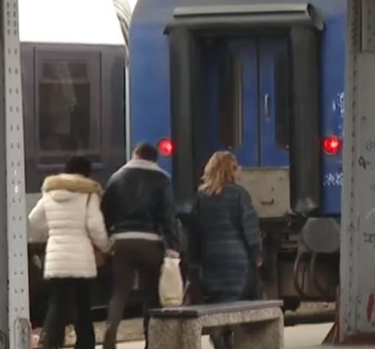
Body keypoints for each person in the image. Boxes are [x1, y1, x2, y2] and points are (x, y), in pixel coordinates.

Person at [101, 143, 180, 349]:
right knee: (151, 294)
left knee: (119, 292)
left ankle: (110, 339)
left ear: (135, 155)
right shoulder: (162, 179)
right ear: (154, 159)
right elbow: (168, 215)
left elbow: (105, 212)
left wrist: (109, 236)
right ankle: (150, 340)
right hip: (150, 242)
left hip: (123, 241)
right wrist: (172, 244)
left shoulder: (116, 178)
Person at [28, 156, 111, 349]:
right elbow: (95, 228)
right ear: (87, 173)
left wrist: (54, 230)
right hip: (82, 261)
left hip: (57, 260)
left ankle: (50, 342)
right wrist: (107, 246)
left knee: (58, 304)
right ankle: (84, 344)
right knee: (83, 306)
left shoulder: (50, 193)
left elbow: (34, 219)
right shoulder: (89, 194)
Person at [188, 151, 262, 349]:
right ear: (232, 170)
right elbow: (250, 228)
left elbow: (193, 233)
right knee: (235, 303)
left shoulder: (201, 197)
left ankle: (219, 335)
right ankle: (229, 337)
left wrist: (193, 262)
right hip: (237, 261)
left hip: (210, 261)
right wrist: (257, 255)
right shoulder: (239, 195)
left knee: (216, 304)